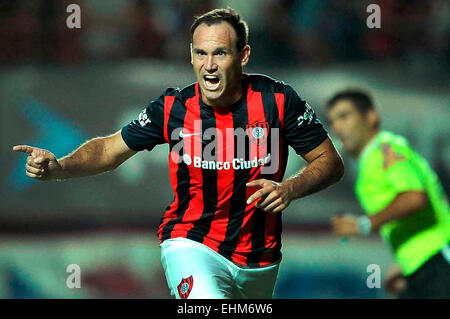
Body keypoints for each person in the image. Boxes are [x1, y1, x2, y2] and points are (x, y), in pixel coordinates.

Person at [13, 8, 344, 299]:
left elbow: (330, 162)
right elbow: (109, 149)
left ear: (243, 56)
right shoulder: (173, 107)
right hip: (191, 242)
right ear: (190, 55)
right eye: (200, 54)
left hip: (260, 257)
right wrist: (60, 167)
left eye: (220, 53)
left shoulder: (279, 101)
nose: (209, 66)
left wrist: (290, 188)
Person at [327, 90, 450, 298]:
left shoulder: (385, 149)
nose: (337, 127)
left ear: (371, 117)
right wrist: (403, 264)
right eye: (333, 121)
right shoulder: (372, 159)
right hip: (421, 265)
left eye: (344, 116)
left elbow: (415, 197)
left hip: (437, 260)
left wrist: (363, 224)